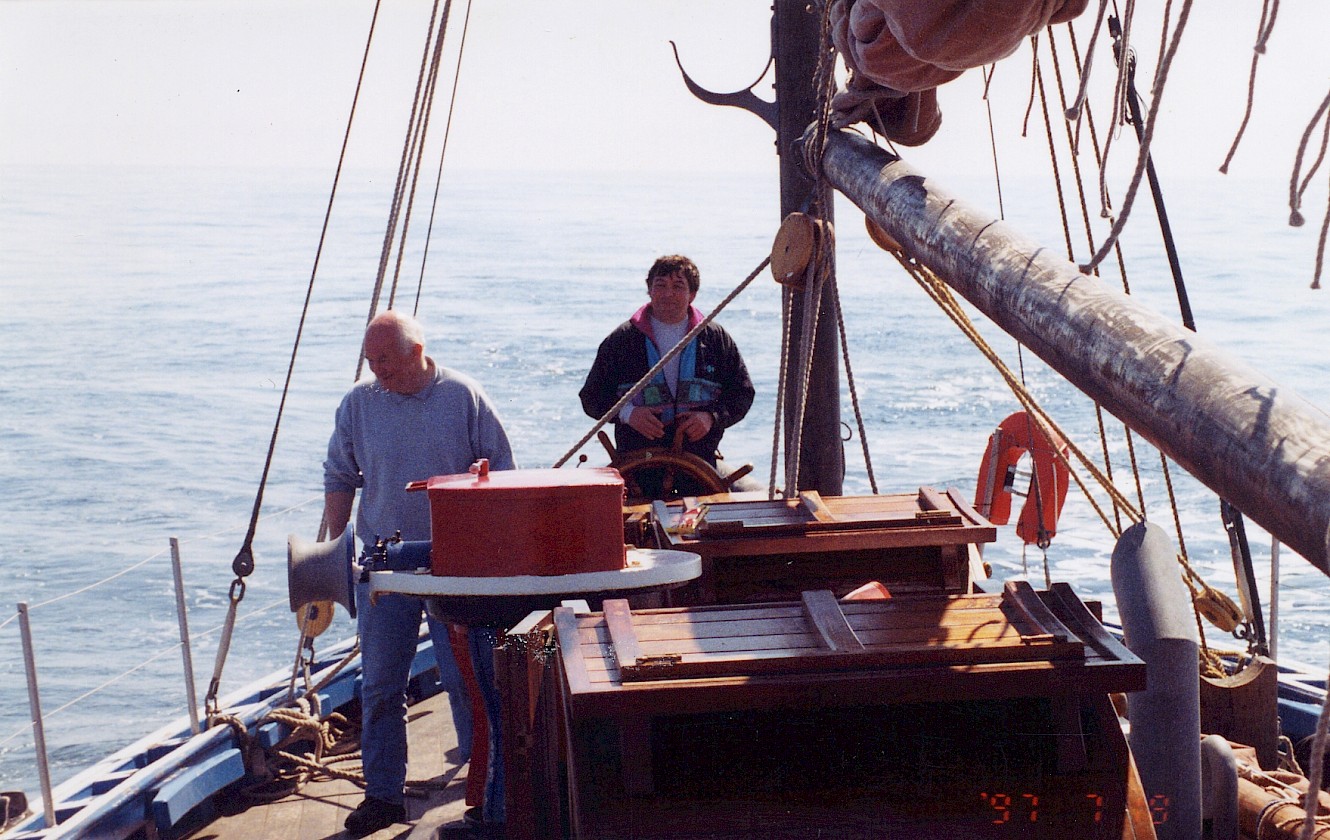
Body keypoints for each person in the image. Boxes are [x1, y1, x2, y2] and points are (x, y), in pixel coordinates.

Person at [323, 310, 515, 838]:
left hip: (453, 562)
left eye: (385, 359)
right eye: (370, 360)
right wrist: (328, 549)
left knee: (466, 681)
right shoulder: (358, 405)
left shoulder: (464, 397)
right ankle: (383, 796)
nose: (376, 370)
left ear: (417, 351)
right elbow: (340, 475)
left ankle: (480, 794)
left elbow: (501, 472)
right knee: (382, 683)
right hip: (384, 564)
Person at [579, 255, 754, 496]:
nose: (668, 293)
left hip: (699, 468)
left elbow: (742, 393)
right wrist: (629, 414)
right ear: (649, 290)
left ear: (692, 295)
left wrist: (710, 417)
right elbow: (591, 397)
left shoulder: (715, 339)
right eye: (660, 285)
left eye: (678, 286)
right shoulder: (621, 341)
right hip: (639, 472)